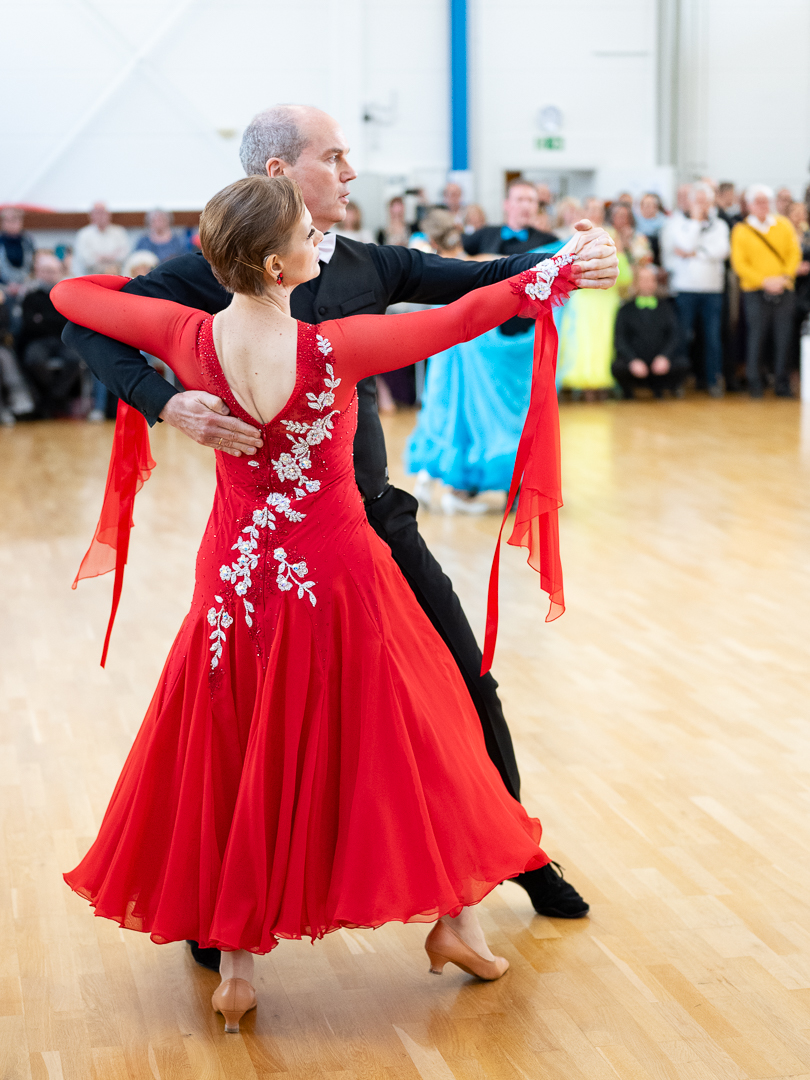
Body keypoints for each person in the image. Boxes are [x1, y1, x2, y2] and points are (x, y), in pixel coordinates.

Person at [62, 106, 619, 963]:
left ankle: (515, 860)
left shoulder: (367, 262)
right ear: (281, 174)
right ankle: (224, 902)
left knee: (465, 685)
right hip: (271, 547)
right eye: (336, 156)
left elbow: (478, 276)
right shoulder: (210, 269)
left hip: (371, 525)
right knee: (244, 718)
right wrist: (166, 403)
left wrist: (570, 256)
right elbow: (81, 321)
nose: (352, 172)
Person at [407, 209, 537, 514]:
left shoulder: (430, 265)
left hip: (447, 350)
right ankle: (453, 489)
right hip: (471, 352)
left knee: (443, 411)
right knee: (473, 415)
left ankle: (435, 485)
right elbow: (513, 266)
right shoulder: (474, 264)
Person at [462, 180, 559, 338]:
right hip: (485, 321)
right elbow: (457, 254)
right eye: (520, 199)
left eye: (531, 201)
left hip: (527, 325)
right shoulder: (486, 233)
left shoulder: (549, 241)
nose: (526, 206)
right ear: (506, 204)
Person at [730, 184, 802, 397]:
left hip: (784, 289)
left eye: (765, 201)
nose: (762, 205)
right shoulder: (741, 230)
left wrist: (784, 277)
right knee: (757, 336)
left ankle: (782, 383)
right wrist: (764, 281)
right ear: (750, 205)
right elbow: (740, 264)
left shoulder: (783, 224)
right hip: (755, 291)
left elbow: (794, 253)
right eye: (758, 202)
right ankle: (755, 382)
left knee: (783, 337)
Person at [557, 198, 633, 397]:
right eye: (591, 209)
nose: (595, 213)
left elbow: (623, 270)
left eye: (599, 209)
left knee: (604, 338)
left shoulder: (612, 234)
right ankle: (581, 384)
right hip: (583, 296)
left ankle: (602, 383)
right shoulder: (576, 234)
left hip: (605, 297)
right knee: (581, 337)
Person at [661, 182, 730, 397]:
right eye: (697, 201)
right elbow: (683, 245)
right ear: (690, 202)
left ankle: (712, 380)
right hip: (685, 289)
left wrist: (694, 254)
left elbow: (722, 251)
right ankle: (678, 381)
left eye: (705, 201)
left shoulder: (720, 225)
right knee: (682, 336)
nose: (701, 205)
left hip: (712, 290)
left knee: (712, 338)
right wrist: (695, 222)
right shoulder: (677, 224)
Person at [18, 251, 83, 417]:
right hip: (38, 341)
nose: (50, 275)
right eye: (46, 271)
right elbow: (29, 324)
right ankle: (55, 398)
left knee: (75, 360)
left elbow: (69, 322)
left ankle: (52, 398)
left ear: (60, 273)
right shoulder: (31, 296)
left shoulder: (67, 295)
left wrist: (42, 319)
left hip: (63, 340)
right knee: (33, 360)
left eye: (54, 271)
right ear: (38, 272)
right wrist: (52, 321)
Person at [612, 263, 686, 398]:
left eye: (650, 280)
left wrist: (664, 356)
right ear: (636, 283)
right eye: (643, 280)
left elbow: (674, 336)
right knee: (617, 367)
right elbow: (620, 339)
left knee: (682, 364)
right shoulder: (625, 309)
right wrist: (632, 360)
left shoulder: (667, 308)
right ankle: (628, 392)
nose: (647, 283)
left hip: (659, 362)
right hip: (635, 363)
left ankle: (662, 388)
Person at [0, 287, 35, 424]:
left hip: (3, 346)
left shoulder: (5, 300)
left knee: (6, 359)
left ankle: (19, 405)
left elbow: (12, 327)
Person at [73, 202, 131, 276]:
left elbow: (125, 253)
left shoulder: (119, 232)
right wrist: (105, 258)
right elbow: (84, 258)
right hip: (92, 275)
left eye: (103, 213)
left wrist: (105, 258)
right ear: (91, 216)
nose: (100, 216)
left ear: (109, 215)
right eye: (97, 213)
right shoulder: (84, 234)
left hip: (116, 273)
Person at [0, 207, 35, 298]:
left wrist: (24, 284)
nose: (11, 223)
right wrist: (6, 285)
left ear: (21, 221)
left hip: (25, 285)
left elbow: (33, 265)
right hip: (3, 286)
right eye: (7, 220)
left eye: (14, 219)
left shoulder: (28, 240)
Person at [608, 202, 652, 273]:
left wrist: (628, 246)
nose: (622, 220)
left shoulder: (639, 238)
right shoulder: (608, 235)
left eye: (625, 216)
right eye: (619, 216)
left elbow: (645, 260)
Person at [635, 193, 666, 264]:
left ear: (656, 207)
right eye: (643, 205)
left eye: (649, 205)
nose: (646, 208)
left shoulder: (663, 223)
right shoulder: (636, 223)